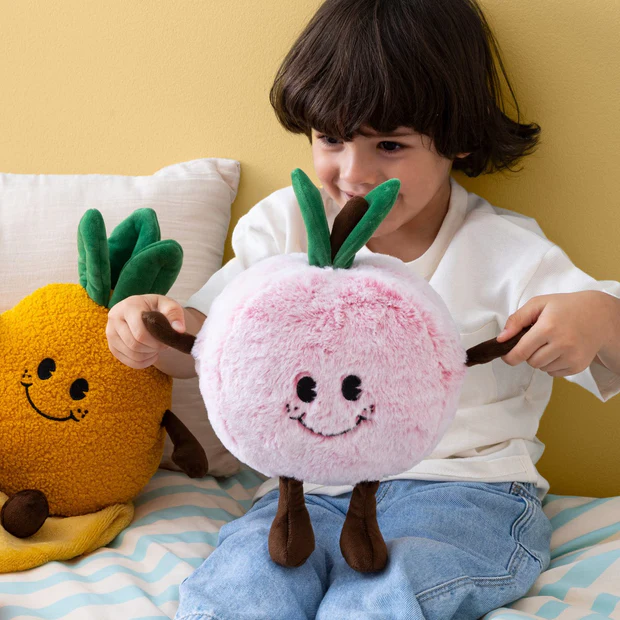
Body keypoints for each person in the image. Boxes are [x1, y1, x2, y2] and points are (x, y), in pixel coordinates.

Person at [106, 0, 620, 617]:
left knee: (382, 599)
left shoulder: (504, 249)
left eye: (390, 145)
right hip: (305, 493)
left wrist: (596, 317)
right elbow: (206, 347)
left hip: (463, 491)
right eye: (331, 139)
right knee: (241, 591)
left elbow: (608, 341)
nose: (354, 173)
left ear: (455, 140)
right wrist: (154, 330)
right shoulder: (285, 226)